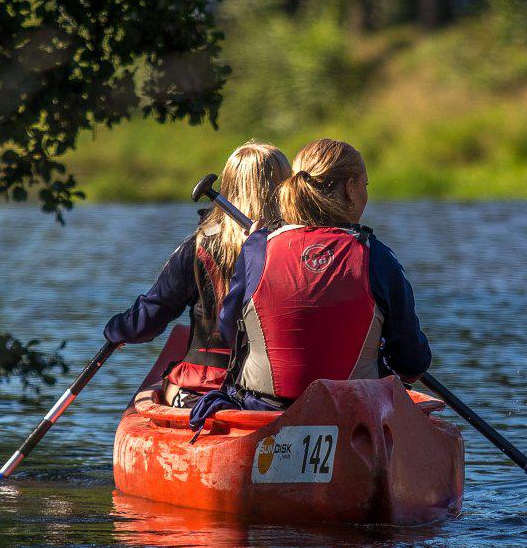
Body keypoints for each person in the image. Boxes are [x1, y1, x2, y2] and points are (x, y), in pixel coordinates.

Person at [207, 138, 431, 412]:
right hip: (353, 414)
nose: (365, 194)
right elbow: (412, 363)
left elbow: (228, 331)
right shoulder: (378, 256)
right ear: (350, 188)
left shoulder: (257, 248)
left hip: (264, 409)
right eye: (365, 185)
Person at [103, 141, 290, 407]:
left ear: (229, 187)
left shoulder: (198, 247)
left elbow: (150, 318)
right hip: (275, 390)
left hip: (206, 386)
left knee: (170, 381)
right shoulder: (298, 247)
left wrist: (117, 329)